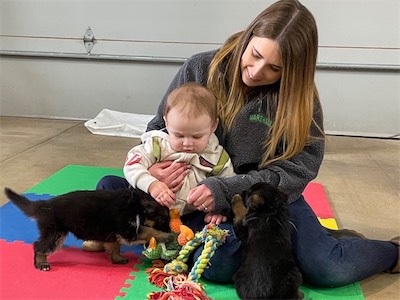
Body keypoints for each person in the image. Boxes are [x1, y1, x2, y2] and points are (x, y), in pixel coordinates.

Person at [90, 0, 399, 286]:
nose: (256, 71)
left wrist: (226, 192)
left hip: (257, 199)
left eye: (275, 69)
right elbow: (158, 127)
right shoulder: (199, 68)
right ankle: (285, 239)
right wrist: (154, 173)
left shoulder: (300, 101)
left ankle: (390, 252)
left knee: (327, 268)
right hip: (185, 194)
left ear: (293, 71)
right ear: (248, 37)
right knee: (108, 188)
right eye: (256, 55)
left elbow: (300, 169)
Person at [124, 82, 235, 217]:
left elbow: (229, 184)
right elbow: (131, 165)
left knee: (220, 227)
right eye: (179, 135)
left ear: (213, 127)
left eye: (197, 136)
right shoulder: (157, 145)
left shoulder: (217, 156)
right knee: (108, 183)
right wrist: (152, 185)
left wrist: (219, 207)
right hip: (149, 207)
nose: (187, 143)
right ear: (167, 123)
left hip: (193, 213)